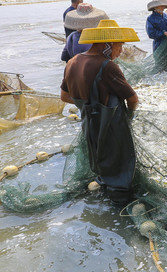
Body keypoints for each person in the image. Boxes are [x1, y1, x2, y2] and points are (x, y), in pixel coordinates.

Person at [60, 19, 140, 204]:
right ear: (107, 45)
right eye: (119, 46)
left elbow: (64, 97)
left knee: (99, 156)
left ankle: (104, 194)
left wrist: (88, 105)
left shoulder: (72, 62)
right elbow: (132, 99)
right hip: (112, 124)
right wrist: (130, 114)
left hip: (89, 122)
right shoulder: (107, 66)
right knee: (119, 160)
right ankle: (121, 201)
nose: (120, 52)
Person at [145, 0, 167, 72]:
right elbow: (150, 33)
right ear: (155, 7)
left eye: (163, 6)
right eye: (161, 6)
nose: (163, 7)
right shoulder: (150, 18)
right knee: (160, 63)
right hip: (158, 44)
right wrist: (164, 33)